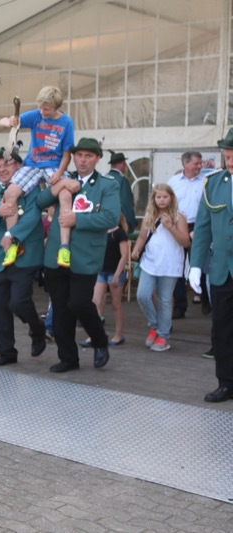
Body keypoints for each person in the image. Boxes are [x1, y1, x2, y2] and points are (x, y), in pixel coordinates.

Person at [37, 137, 120, 373]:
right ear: (73, 157)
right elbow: (41, 201)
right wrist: (61, 184)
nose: (83, 160)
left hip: (86, 256)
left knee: (79, 303)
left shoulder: (107, 185)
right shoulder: (64, 178)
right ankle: (68, 358)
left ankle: (99, 340)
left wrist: (78, 219)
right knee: (60, 309)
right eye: (79, 155)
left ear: (98, 159)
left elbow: (111, 217)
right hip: (56, 254)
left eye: (89, 156)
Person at [0, 146, 46, 367]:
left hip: (25, 255)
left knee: (18, 302)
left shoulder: (31, 189)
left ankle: (37, 328)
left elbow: (33, 216)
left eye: (6, 165)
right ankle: (6, 352)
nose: (1, 170)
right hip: (0, 257)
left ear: (19, 166)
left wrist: (12, 234)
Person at [0, 86, 75, 268]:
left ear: (56, 107)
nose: (42, 111)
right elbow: (3, 121)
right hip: (32, 164)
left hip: (54, 165)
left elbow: (67, 155)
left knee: (65, 195)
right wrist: (10, 121)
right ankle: (13, 242)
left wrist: (59, 173)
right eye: (40, 107)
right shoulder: (36, 115)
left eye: (46, 109)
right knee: (10, 194)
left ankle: (64, 247)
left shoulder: (66, 123)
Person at [189, 128, 233, 402]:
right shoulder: (213, 183)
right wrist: (195, 264)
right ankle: (226, 382)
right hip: (221, 270)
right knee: (222, 331)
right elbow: (203, 227)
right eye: (227, 156)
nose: (230, 162)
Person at [131, 184, 190, 352]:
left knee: (165, 300)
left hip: (171, 264)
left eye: (165, 197)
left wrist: (170, 227)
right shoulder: (150, 215)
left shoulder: (179, 217)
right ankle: (154, 325)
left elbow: (185, 242)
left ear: (171, 198)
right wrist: (136, 249)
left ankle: (163, 335)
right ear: (154, 199)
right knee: (142, 295)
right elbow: (143, 237)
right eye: (159, 197)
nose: (162, 200)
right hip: (150, 262)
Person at [79, 215, 130, 347]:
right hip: (101, 271)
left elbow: (124, 255)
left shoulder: (120, 233)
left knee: (116, 304)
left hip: (114, 272)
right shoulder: (101, 231)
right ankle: (94, 334)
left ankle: (118, 334)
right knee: (95, 301)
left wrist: (117, 274)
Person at [167, 151, 205, 319]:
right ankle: (179, 306)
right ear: (185, 163)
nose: (200, 166)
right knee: (177, 266)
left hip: (199, 226)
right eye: (196, 163)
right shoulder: (173, 182)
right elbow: (166, 203)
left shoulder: (205, 181)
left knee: (200, 263)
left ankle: (205, 299)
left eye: (200, 163)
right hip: (178, 226)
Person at [107, 151, 137, 233]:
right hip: (118, 224)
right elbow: (125, 203)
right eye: (125, 164)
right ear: (121, 164)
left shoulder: (103, 178)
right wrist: (131, 223)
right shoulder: (122, 180)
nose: (126, 166)